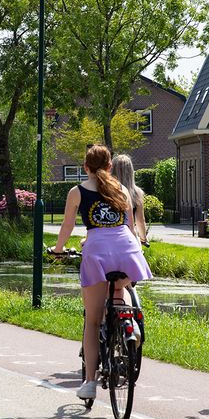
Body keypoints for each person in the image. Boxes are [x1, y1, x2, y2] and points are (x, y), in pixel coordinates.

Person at [50, 145, 152, 400]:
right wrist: (137, 250)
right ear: (109, 166)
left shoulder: (77, 192)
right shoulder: (122, 190)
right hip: (127, 249)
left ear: (85, 167)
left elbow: (67, 225)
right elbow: (130, 226)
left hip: (96, 252)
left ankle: (90, 382)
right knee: (121, 288)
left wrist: (58, 249)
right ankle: (130, 324)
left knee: (93, 322)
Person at [112, 154, 149, 246]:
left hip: (109, 237)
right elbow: (140, 220)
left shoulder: (106, 191)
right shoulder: (137, 193)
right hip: (128, 237)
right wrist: (143, 238)